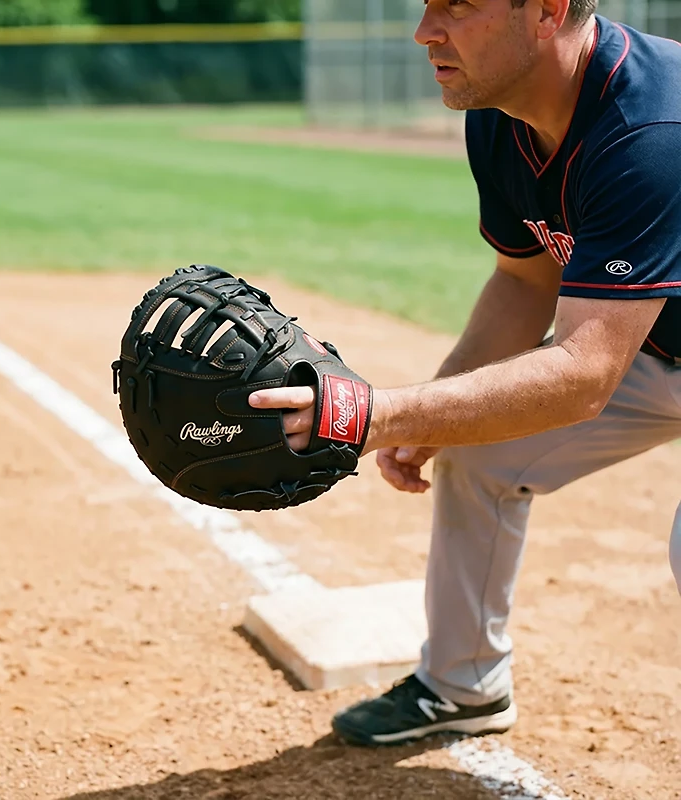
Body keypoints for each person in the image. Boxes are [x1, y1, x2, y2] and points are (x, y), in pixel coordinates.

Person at [248, 0, 681, 746]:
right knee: (478, 449)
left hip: (618, 352)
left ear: (545, 11)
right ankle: (463, 687)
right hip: (653, 345)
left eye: (457, 5)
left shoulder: (653, 127)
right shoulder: (501, 111)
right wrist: (434, 412)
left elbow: (584, 375)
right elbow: (524, 280)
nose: (425, 30)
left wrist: (377, 414)